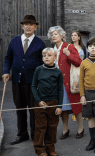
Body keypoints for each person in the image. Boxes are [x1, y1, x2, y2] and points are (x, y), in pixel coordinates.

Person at [2, 15, 45, 145]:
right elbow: (7, 58)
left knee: (33, 109)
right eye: (26, 24)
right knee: (20, 108)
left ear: (35, 27)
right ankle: (22, 134)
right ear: (22, 26)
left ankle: (34, 134)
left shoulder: (40, 43)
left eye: (31, 24)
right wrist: (5, 72)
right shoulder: (14, 41)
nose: (28, 26)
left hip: (33, 82)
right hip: (17, 81)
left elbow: (44, 62)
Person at [47, 26, 84, 140]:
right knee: (62, 108)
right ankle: (65, 129)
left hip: (69, 83)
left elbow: (79, 62)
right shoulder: (51, 50)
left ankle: (80, 128)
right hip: (56, 84)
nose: (53, 36)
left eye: (56, 34)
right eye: (52, 34)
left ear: (62, 35)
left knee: (76, 106)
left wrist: (68, 54)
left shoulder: (69, 47)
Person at [32, 48, 63, 156]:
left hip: (54, 103)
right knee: (41, 127)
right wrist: (39, 101)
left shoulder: (58, 72)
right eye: (44, 55)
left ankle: (50, 148)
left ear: (55, 58)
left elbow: (60, 90)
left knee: (52, 127)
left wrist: (59, 106)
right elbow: (33, 86)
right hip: (40, 103)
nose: (46, 57)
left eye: (49, 55)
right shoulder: (38, 70)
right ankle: (40, 149)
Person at [70, 30, 87, 123]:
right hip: (73, 71)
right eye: (72, 35)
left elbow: (85, 59)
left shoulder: (83, 47)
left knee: (83, 91)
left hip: (82, 70)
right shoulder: (70, 47)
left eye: (75, 35)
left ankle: (84, 112)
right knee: (75, 92)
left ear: (79, 37)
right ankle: (75, 113)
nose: (73, 37)